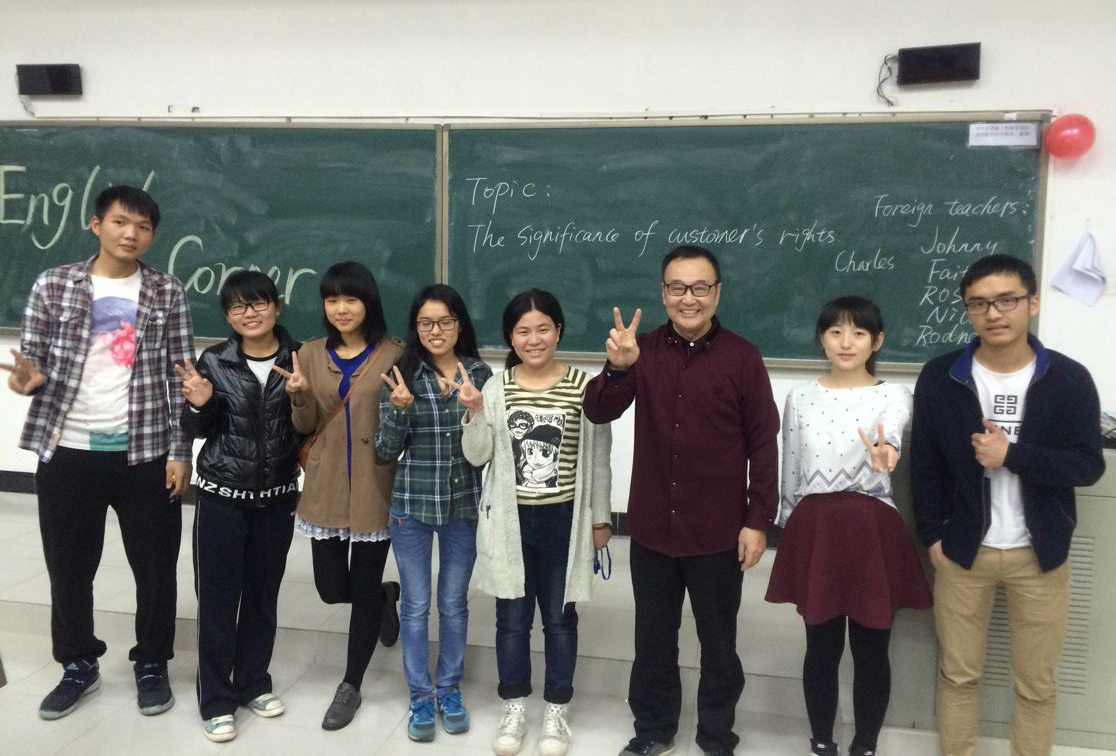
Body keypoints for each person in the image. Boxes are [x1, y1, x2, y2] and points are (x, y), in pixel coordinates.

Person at [1, 185, 192, 720]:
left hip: (147, 452)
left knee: (156, 569)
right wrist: (25, 381)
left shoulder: (166, 291)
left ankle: (151, 662)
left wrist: (182, 451)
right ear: (96, 224)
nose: (131, 234)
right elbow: (31, 365)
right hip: (68, 449)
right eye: (120, 222)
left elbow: (182, 375)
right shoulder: (54, 284)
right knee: (68, 567)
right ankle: (78, 663)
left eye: (143, 227)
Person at [582, 245, 780, 756]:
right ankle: (653, 730)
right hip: (652, 529)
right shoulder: (641, 350)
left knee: (719, 644)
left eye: (699, 287)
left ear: (717, 293)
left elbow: (763, 442)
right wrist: (617, 368)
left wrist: (758, 519)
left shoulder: (743, 357)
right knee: (652, 641)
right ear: (663, 293)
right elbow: (598, 410)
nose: (688, 298)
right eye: (677, 287)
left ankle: (716, 736)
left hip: (718, 532)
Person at [911, 254, 1104, 756]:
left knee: (1036, 683)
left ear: (1032, 303)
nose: (993, 313)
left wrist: (1012, 455)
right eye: (978, 304)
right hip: (962, 551)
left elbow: (1088, 465)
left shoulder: (1069, 379)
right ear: (968, 311)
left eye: (1006, 300)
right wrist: (933, 535)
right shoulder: (941, 377)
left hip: (1039, 554)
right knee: (958, 675)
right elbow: (925, 464)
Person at [765, 296, 933, 756]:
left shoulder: (894, 395)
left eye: (858, 333)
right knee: (820, 645)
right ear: (821, 338)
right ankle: (822, 741)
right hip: (816, 528)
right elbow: (791, 463)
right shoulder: (799, 396)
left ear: (876, 342)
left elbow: (891, 435)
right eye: (836, 331)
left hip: (870, 529)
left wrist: (886, 453)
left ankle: (865, 744)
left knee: (871, 646)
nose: (846, 342)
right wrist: (788, 524)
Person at [461, 289, 613, 756]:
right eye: (523, 331)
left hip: (564, 519)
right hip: (510, 520)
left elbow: (599, 458)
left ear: (559, 331)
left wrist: (601, 518)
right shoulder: (496, 388)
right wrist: (474, 412)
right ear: (511, 337)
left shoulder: (585, 387)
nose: (534, 339)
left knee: (560, 619)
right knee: (511, 620)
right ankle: (514, 707)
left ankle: (556, 710)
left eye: (543, 328)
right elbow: (478, 456)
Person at [273, 260, 403, 731]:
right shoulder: (308, 354)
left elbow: (402, 423)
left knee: (361, 588)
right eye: (332, 299)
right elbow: (305, 425)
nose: (341, 308)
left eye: (351, 299)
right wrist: (299, 395)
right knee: (330, 588)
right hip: (325, 484)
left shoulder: (394, 354)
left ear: (369, 303)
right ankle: (386, 597)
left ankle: (351, 684)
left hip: (375, 485)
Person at [178, 270, 301, 742]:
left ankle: (253, 683)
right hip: (222, 499)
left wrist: (303, 396)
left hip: (276, 499)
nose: (250, 313)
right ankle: (215, 700)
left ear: (277, 306)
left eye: (259, 303)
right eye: (238, 306)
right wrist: (200, 404)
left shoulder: (299, 358)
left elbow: (308, 425)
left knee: (262, 596)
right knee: (217, 600)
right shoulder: (214, 360)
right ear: (228, 316)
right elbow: (198, 430)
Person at [375, 284, 493, 742]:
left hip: (463, 506)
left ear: (459, 324)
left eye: (445, 321)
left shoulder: (480, 374)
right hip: (412, 506)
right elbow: (386, 451)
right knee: (417, 605)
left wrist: (476, 410)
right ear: (415, 327)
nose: (436, 330)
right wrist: (398, 411)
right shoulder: (401, 375)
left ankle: (449, 688)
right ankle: (421, 695)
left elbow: (487, 451)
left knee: (454, 604)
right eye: (426, 322)